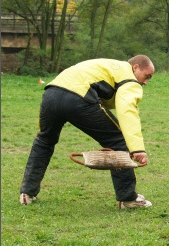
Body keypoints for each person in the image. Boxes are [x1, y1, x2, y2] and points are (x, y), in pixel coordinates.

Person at [19, 55, 155, 209]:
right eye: (146, 76)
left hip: (51, 93)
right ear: (135, 67)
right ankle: (129, 199)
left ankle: (27, 193)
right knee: (119, 140)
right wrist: (137, 148)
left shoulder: (110, 65)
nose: (145, 82)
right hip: (78, 97)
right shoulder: (129, 78)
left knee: (44, 140)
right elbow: (127, 111)